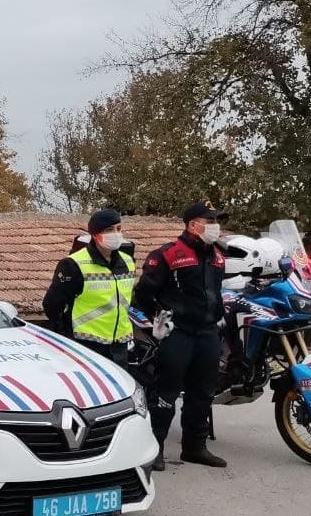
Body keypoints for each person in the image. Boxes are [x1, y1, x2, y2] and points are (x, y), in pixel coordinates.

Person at [132, 201, 228, 471]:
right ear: (192, 225)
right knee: (165, 392)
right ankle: (155, 448)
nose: (214, 226)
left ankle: (195, 447)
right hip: (179, 333)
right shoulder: (168, 254)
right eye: (208, 221)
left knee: (203, 392)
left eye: (215, 221)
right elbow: (142, 293)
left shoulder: (217, 255)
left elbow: (217, 291)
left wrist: (219, 314)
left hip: (208, 332)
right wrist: (158, 319)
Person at [42, 208, 134, 367]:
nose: (116, 234)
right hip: (86, 344)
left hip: (120, 344)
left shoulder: (128, 262)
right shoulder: (73, 264)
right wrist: (66, 335)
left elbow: (127, 300)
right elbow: (52, 305)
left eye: (119, 229)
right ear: (96, 235)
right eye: (109, 230)